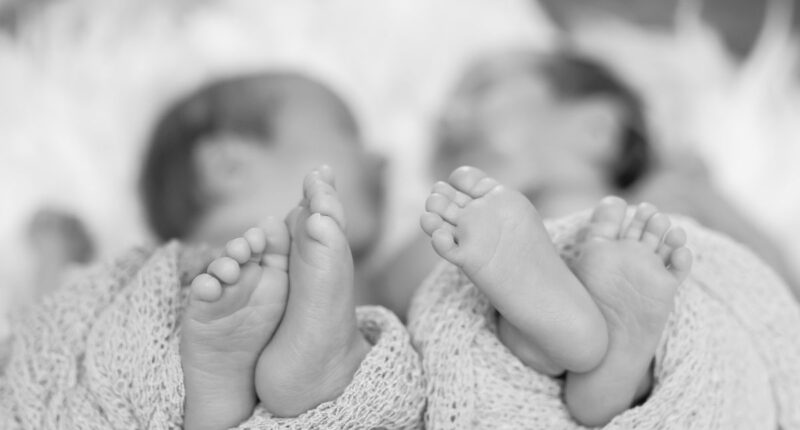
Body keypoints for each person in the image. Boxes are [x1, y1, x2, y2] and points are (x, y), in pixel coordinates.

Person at [429, 49, 799, 299]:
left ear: (596, 128)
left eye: (482, 89)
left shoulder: (671, 197)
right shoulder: (467, 241)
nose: (449, 117)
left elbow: (780, 288)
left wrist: (703, 193)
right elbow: (394, 294)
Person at [421, 165, 692, 426]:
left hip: (577, 263)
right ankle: (616, 385)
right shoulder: (668, 192)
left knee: (484, 307)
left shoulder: (562, 185)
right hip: (619, 261)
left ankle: (539, 341)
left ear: (601, 129)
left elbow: (389, 282)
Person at [139, 71, 386, 304]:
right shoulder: (173, 280)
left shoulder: (362, 283)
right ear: (228, 166)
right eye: (346, 132)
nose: (381, 159)